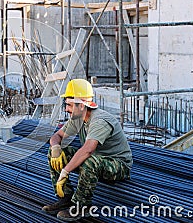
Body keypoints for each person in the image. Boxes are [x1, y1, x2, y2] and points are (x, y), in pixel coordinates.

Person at [42, 79, 132, 221]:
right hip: (96, 160)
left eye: (70, 105)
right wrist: (55, 149)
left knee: (90, 160)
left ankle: (82, 206)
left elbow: (88, 150)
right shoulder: (78, 118)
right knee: (58, 153)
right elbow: (57, 136)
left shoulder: (100, 121)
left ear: (82, 105)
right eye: (66, 105)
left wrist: (65, 171)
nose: (66, 109)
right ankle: (65, 198)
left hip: (117, 166)